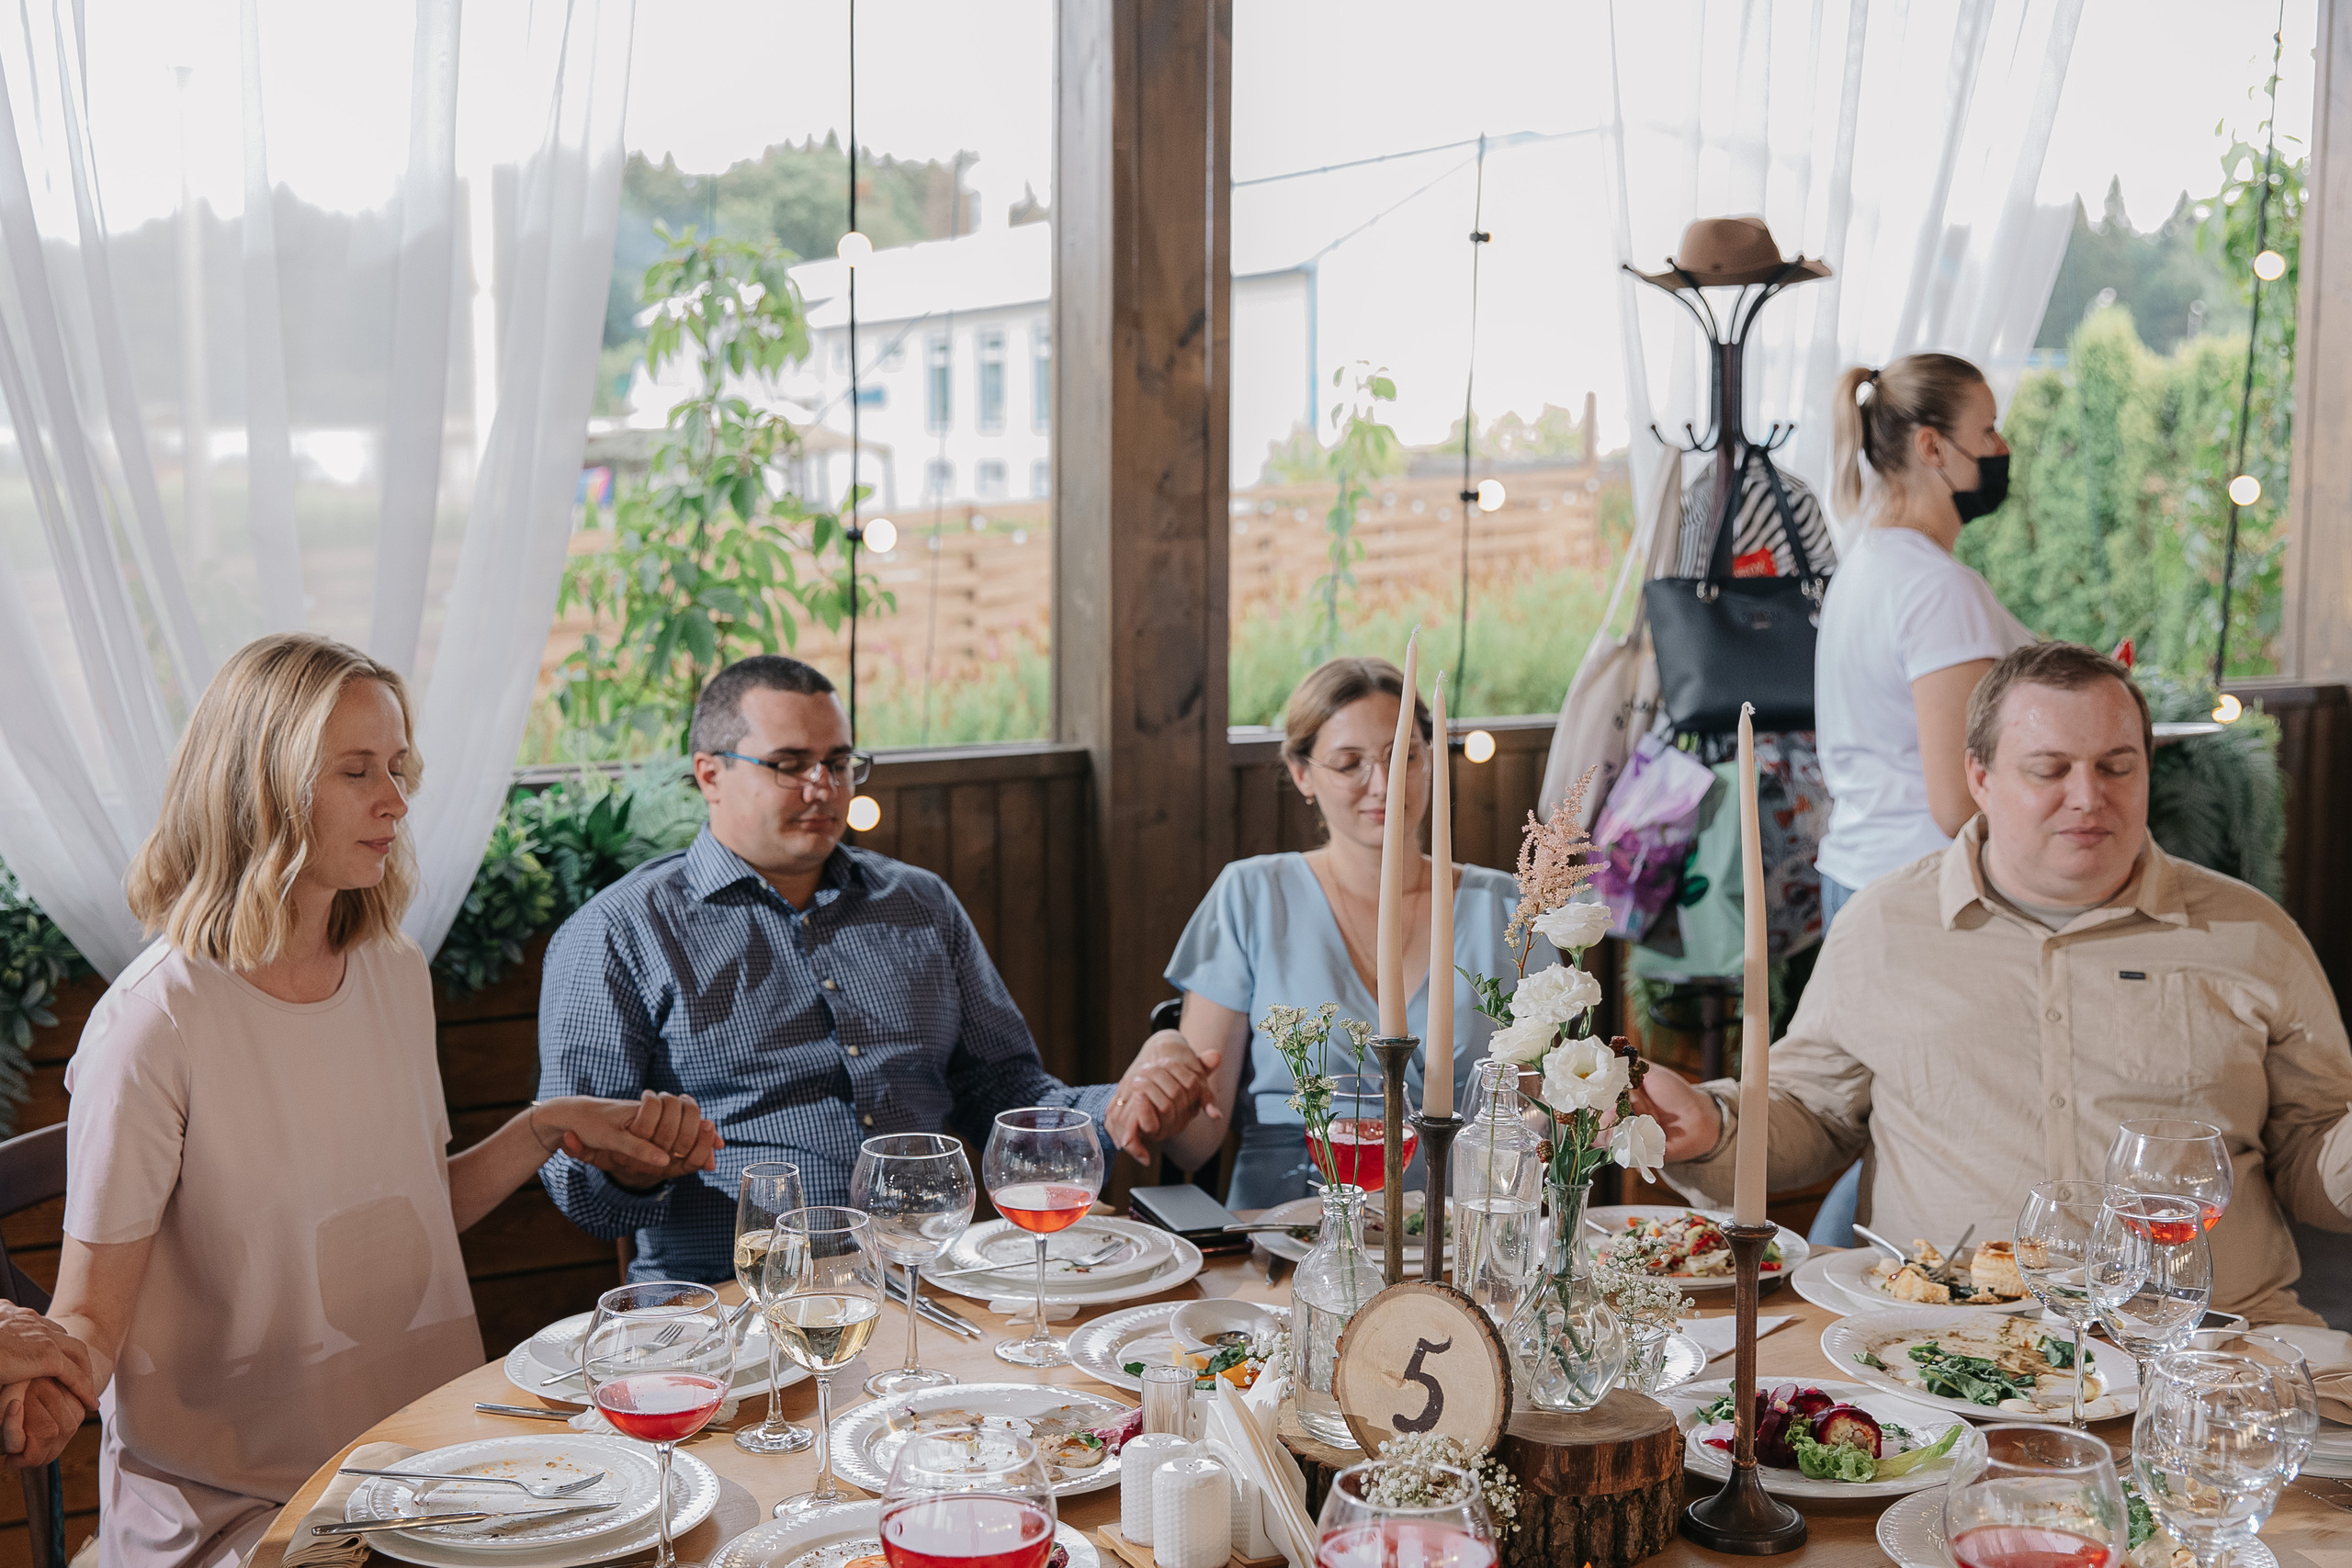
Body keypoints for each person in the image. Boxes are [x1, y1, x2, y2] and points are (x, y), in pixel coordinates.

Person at [40, 634, 721, 1568]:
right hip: (243, 1508)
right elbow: (88, 1326)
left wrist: (543, 1128)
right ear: (260, 789)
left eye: (397, 767)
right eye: (356, 771)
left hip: (435, 1471)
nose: (396, 800)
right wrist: (38, 1382)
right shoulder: (152, 1027)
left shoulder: (393, 971)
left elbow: (403, 1215)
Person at [1635, 642, 2352, 1329]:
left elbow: (2311, 1149)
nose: (2088, 796)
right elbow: (1811, 1111)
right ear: (1979, 776)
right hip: (1945, 1349)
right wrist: (1710, 1127)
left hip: (2209, 1338)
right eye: (2049, 768)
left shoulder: (2252, 934)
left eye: (2116, 766)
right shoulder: (1886, 925)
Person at [535, 655, 1220, 1281]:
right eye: (790, 763)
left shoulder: (919, 902)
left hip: (939, 1282)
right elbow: (577, 1188)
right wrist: (629, 1173)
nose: (823, 786)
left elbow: (1004, 1088)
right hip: (732, 1300)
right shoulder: (618, 933)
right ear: (710, 772)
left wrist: (1122, 1102)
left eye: (839, 761)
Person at [1142, 657, 1556, 1208]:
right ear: (1302, 774)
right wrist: (1165, 1080)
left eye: (1403, 756)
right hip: (1288, 1230)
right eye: (1348, 764)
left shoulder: (1505, 904)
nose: (1382, 785)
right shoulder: (1251, 895)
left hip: (1461, 1230)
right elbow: (1196, 1144)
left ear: (1429, 759)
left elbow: (1547, 1114)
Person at [1807, 352, 2036, 1244]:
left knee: (1877, 1129)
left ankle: (1819, 1313)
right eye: (1987, 432)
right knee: (1913, 1139)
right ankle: (1825, 1310)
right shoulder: (1938, 590)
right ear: (1935, 448)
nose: (2003, 447)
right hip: (1924, 898)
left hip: (1858, 874)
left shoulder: (1869, 565)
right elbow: (1958, 800)